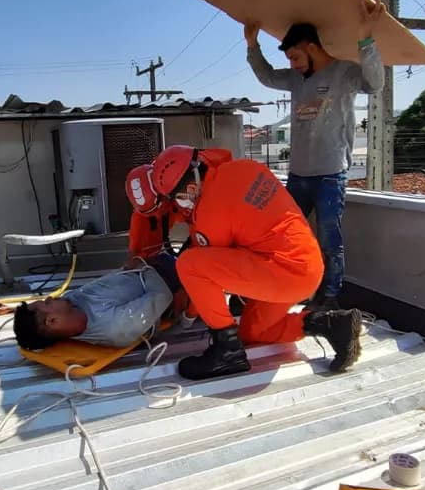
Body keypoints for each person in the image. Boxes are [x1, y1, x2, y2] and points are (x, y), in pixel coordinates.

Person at [150, 144, 364, 381]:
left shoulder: (210, 212)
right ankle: (331, 324)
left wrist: (187, 316)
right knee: (252, 331)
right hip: (308, 267)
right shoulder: (245, 167)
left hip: (282, 273)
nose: (180, 205)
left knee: (189, 263)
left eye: (178, 199)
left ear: (190, 189)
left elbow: (207, 272)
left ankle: (227, 353)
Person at [244, 0, 386, 312]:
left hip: (329, 174)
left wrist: (366, 37)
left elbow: (374, 83)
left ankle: (330, 297)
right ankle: (282, 288)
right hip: (298, 175)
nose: (293, 64)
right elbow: (267, 76)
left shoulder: (343, 73)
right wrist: (252, 45)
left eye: (295, 57)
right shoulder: (297, 79)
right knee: (281, 235)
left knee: (328, 240)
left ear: (311, 47)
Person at [14, 252, 182, 350]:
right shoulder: (114, 327)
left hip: (151, 262)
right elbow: (162, 296)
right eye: (47, 303)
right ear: (52, 320)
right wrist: (145, 267)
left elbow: (110, 282)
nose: (51, 297)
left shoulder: (72, 303)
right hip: (174, 277)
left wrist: (126, 268)